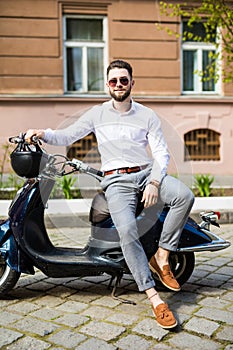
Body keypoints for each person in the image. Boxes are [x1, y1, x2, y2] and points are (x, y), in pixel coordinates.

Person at [25, 59, 194, 329]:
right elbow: (67, 136)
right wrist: (41, 133)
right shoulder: (97, 113)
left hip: (145, 173)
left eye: (123, 80)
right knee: (127, 230)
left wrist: (153, 182)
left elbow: (161, 153)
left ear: (132, 83)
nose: (118, 85)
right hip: (117, 182)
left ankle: (162, 255)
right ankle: (154, 298)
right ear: (107, 85)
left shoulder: (147, 115)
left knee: (184, 196)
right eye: (114, 81)